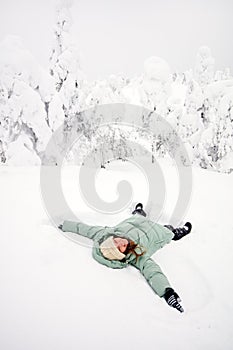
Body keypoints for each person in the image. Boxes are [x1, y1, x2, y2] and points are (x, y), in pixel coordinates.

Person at [58, 203, 192, 313]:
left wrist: (66, 225)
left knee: (137, 218)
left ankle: (138, 213)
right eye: (119, 248)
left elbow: (85, 229)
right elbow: (151, 270)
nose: (120, 242)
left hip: (135, 222)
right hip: (156, 233)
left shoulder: (104, 234)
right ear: (122, 255)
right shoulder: (137, 254)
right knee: (167, 231)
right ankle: (176, 233)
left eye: (115, 241)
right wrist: (167, 292)